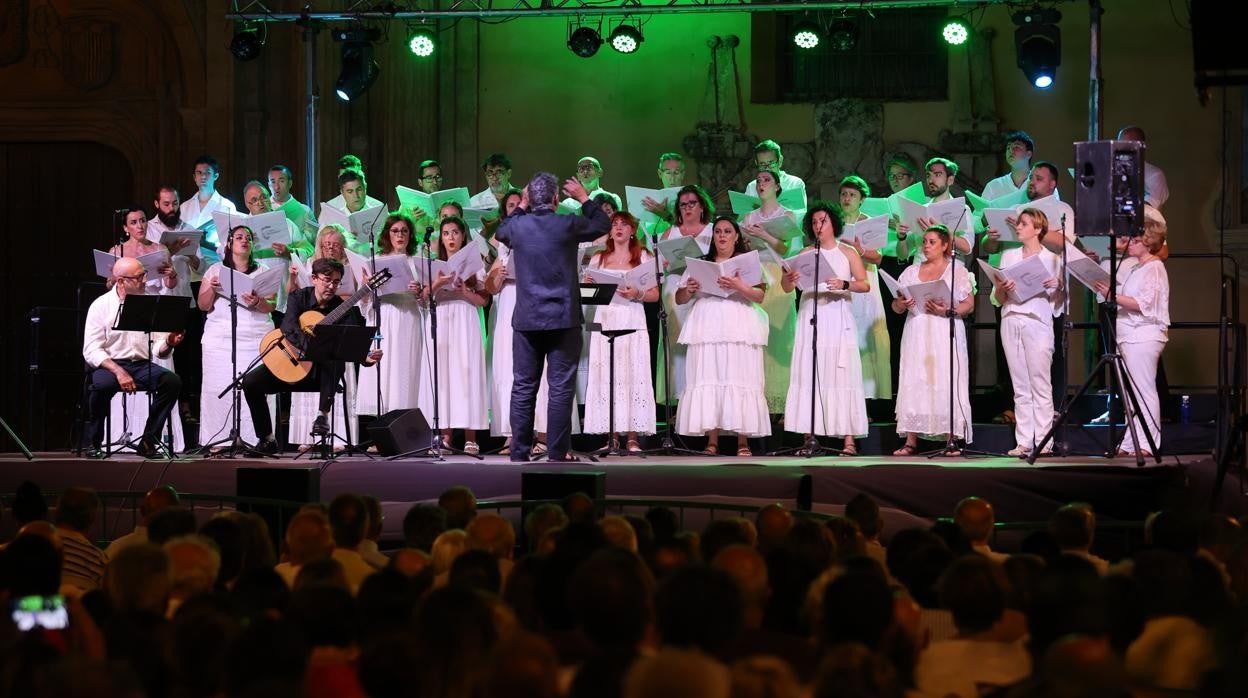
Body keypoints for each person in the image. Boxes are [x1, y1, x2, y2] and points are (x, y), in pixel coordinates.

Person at [494, 171, 612, 462]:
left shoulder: (519, 226)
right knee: (560, 389)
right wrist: (584, 197)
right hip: (563, 318)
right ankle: (557, 454)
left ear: (530, 199)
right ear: (557, 199)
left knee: (524, 386)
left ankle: (519, 453)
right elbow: (602, 224)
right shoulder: (567, 223)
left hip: (528, 320)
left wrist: (521, 205)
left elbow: (501, 231)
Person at [241, 257, 382, 454]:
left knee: (335, 361)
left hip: (319, 376)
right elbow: (288, 328)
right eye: (327, 279)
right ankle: (267, 439)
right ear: (314, 278)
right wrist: (310, 347)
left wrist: (364, 358)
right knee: (250, 382)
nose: (332, 286)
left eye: (336, 281)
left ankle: (321, 416)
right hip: (290, 363)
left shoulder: (345, 310)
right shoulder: (299, 297)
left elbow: (350, 344)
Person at [673, 216, 770, 456]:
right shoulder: (700, 264)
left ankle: (743, 441)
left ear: (737, 236)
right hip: (707, 324)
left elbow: (759, 296)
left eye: (728, 231)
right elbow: (679, 298)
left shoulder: (747, 263)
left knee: (740, 376)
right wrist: (689, 289)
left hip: (739, 323)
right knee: (710, 376)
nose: (722, 236)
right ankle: (712, 440)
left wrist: (739, 286)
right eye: (718, 232)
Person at [484, 191, 573, 451]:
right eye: (510, 207)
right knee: (511, 369)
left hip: (537, 302)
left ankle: (545, 435)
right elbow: (490, 288)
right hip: (509, 304)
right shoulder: (503, 242)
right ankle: (515, 434)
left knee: (542, 370)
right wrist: (497, 275)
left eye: (520, 206)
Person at [781, 201, 869, 454]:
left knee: (842, 374)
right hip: (811, 312)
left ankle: (848, 440)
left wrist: (844, 283)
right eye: (814, 221)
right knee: (810, 371)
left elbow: (864, 284)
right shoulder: (805, 253)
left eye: (824, 220)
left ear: (834, 223)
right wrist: (789, 279)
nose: (818, 225)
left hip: (837, 315)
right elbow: (787, 288)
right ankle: (810, 436)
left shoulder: (847, 252)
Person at [82, 256, 185, 458]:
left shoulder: (149, 302)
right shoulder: (101, 305)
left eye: (144, 274)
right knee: (101, 386)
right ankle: (93, 443)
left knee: (172, 382)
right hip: (110, 365)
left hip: (140, 364)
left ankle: (148, 441)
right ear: (121, 281)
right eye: (138, 277)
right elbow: (91, 349)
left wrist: (170, 343)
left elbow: (158, 350)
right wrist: (118, 372)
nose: (145, 280)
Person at [891, 225, 975, 455]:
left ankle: (950, 438)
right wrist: (902, 304)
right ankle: (910, 440)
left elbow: (969, 304)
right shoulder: (910, 272)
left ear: (945, 245)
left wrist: (948, 309)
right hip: (917, 330)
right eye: (924, 242)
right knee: (915, 378)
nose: (926, 246)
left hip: (943, 329)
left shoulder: (956, 270)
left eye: (932, 242)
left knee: (944, 377)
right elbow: (896, 306)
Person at [1093, 208, 1169, 457]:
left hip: (1143, 335)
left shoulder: (1153, 267)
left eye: (1135, 240)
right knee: (1130, 392)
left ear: (1147, 242)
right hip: (1129, 334)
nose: (1130, 243)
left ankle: (1149, 442)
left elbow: (1144, 303)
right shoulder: (1138, 268)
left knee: (1144, 389)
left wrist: (1112, 295)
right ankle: (1130, 441)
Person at [582, 212, 659, 451]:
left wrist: (637, 293)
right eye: (614, 224)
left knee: (632, 374)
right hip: (606, 319)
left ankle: (633, 436)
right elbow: (585, 297)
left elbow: (655, 295)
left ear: (632, 230)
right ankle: (612, 435)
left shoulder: (643, 256)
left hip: (632, 317)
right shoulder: (598, 259)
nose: (618, 228)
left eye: (624, 224)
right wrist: (589, 286)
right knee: (608, 375)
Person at [989, 208, 1062, 456]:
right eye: (1018, 223)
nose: (1018, 227)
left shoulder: (1052, 259)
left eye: (1024, 223)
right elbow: (997, 298)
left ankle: (1044, 441)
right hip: (1011, 318)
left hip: (1037, 321)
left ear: (1038, 229)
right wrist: (1003, 287)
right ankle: (1024, 442)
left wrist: (1058, 285)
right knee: (1020, 384)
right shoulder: (1009, 255)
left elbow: (1059, 302)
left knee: (1040, 382)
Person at [197, 225, 277, 448]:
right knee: (217, 387)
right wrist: (212, 289)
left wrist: (257, 302)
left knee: (254, 387)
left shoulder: (263, 270)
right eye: (239, 237)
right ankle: (218, 439)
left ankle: (257, 439)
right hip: (220, 339)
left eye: (248, 238)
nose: (244, 241)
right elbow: (203, 305)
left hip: (254, 338)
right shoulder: (215, 270)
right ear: (229, 244)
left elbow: (271, 305)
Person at [284, 225, 363, 449]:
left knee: (335, 364)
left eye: (335, 245)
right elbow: (295, 306)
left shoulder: (349, 269)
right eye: (326, 245)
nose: (330, 249)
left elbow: (349, 303)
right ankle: (307, 438)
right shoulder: (311, 265)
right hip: (305, 339)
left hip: (334, 333)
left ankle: (336, 433)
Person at [416, 215, 490, 455]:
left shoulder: (474, 262)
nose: (451, 238)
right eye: (446, 233)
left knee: (466, 374)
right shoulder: (432, 264)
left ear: (462, 235)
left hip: (465, 320)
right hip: (441, 319)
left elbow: (483, 300)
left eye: (455, 233)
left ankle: (471, 436)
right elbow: (422, 299)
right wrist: (437, 284)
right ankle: (445, 435)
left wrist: (464, 291)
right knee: (443, 375)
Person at [740, 168, 799, 414]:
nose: (761, 184)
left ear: (777, 186)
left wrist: (763, 234)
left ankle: (784, 404)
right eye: (758, 181)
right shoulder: (747, 216)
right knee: (757, 337)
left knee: (780, 337)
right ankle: (758, 401)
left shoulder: (787, 214)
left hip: (778, 273)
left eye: (766, 180)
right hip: (755, 274)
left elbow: (785, 248)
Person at [357, 214, 423, 420]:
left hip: (408, 318)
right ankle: (382, 428)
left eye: (404, 231)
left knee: (405, 370)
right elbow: (364, 301)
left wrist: (419, 289)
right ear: (388, 234)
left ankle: (405, 426)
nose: (400, 235)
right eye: (395, 231)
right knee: (384, 372)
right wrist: (367, 285)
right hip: (384, 316)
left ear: (410, 235)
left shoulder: (417, 261)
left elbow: (425, 297)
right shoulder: (376, 261)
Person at [657, 185, 715, 403]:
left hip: (703, 288)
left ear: (702, 206)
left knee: (700, 341)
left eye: (692, 203)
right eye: (683, 204)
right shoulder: (670, 232)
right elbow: (657, 267)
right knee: (677, 342)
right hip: (674, 287)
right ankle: (679, 399)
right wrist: (662, 263)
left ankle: (702, 399)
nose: (688, 208)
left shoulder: (712, 230)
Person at [838, 175, 892, 402]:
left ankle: (868, 395)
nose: (847, 198)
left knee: (866, 335)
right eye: (844, 194)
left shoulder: (868, 222)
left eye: (852, 195)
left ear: (861, 199)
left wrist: (858, 249)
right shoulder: (834, 222)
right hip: (843, 281)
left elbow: (878, 258)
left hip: (865, 281)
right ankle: (843, 392)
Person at [896, 157, 973, 259]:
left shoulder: (962, 209)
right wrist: (901, 237)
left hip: (949, 271)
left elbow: (967, 247)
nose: (931, 180)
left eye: (937, 175)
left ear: (950, 180)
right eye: (928, 175)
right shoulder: (919, 210)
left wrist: (940, 232)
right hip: (920, 270)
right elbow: (902, 255)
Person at [179, 155, 238, 252]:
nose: (203, 176)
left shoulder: (227, 206)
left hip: (216, 258)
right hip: (188, 259)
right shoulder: (184, 207)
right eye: (199, 173)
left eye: (208, 173)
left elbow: (233, 239)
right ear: (194, 177)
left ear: (216, 176)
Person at [744, 139, 808, 211]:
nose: (767, 168)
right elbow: (743, 217)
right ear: (756, 163)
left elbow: (800, 215)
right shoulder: (751, 187)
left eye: (771, 163)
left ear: (780, 161)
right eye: (762, 164)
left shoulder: (794, 183)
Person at [1117, 125, 1169, 209]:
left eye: (1128, 146)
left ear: (1142, 147)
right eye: (1120, 145)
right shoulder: (1114, 173)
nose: (1122, 151)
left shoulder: (1155, 175)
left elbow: (1146, 212)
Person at [981, 131, 1035, 201]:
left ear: (1029, 154)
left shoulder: (1040, 184)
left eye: (1016, 147)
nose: (1011, 151)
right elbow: (980, 211)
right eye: (1008, 148)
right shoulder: (993, 186)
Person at [268, 164, 318, 239]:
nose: (276, 187)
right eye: (273, 182)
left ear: (290, 183)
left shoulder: (304, 210)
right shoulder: (262, 209)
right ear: (269, 185)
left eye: (281, 181)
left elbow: (314, 239)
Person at [641, 151, 687, 225]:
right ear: (660, 173)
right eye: (668, 173)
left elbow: (690, 229)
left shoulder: (692, 201)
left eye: (676, 173)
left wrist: (666, 216)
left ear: (682, 175)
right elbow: (640, 235)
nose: (672, 178)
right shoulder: (651, 202)